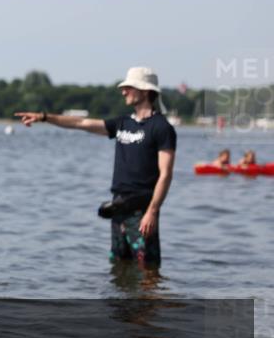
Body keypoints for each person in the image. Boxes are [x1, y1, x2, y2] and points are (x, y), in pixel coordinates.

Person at [15, 66, 176, 267]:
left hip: (142, 210)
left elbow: (166, 174)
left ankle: (152, 300)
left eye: (128, 87)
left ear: (144, 91)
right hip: (118, 207)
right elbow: (81, 122)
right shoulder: (122, 123)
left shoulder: (161, 128)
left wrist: (152, 212)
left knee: (148, 270)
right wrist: (45, 117)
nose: (123, 91)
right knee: (119, 266)